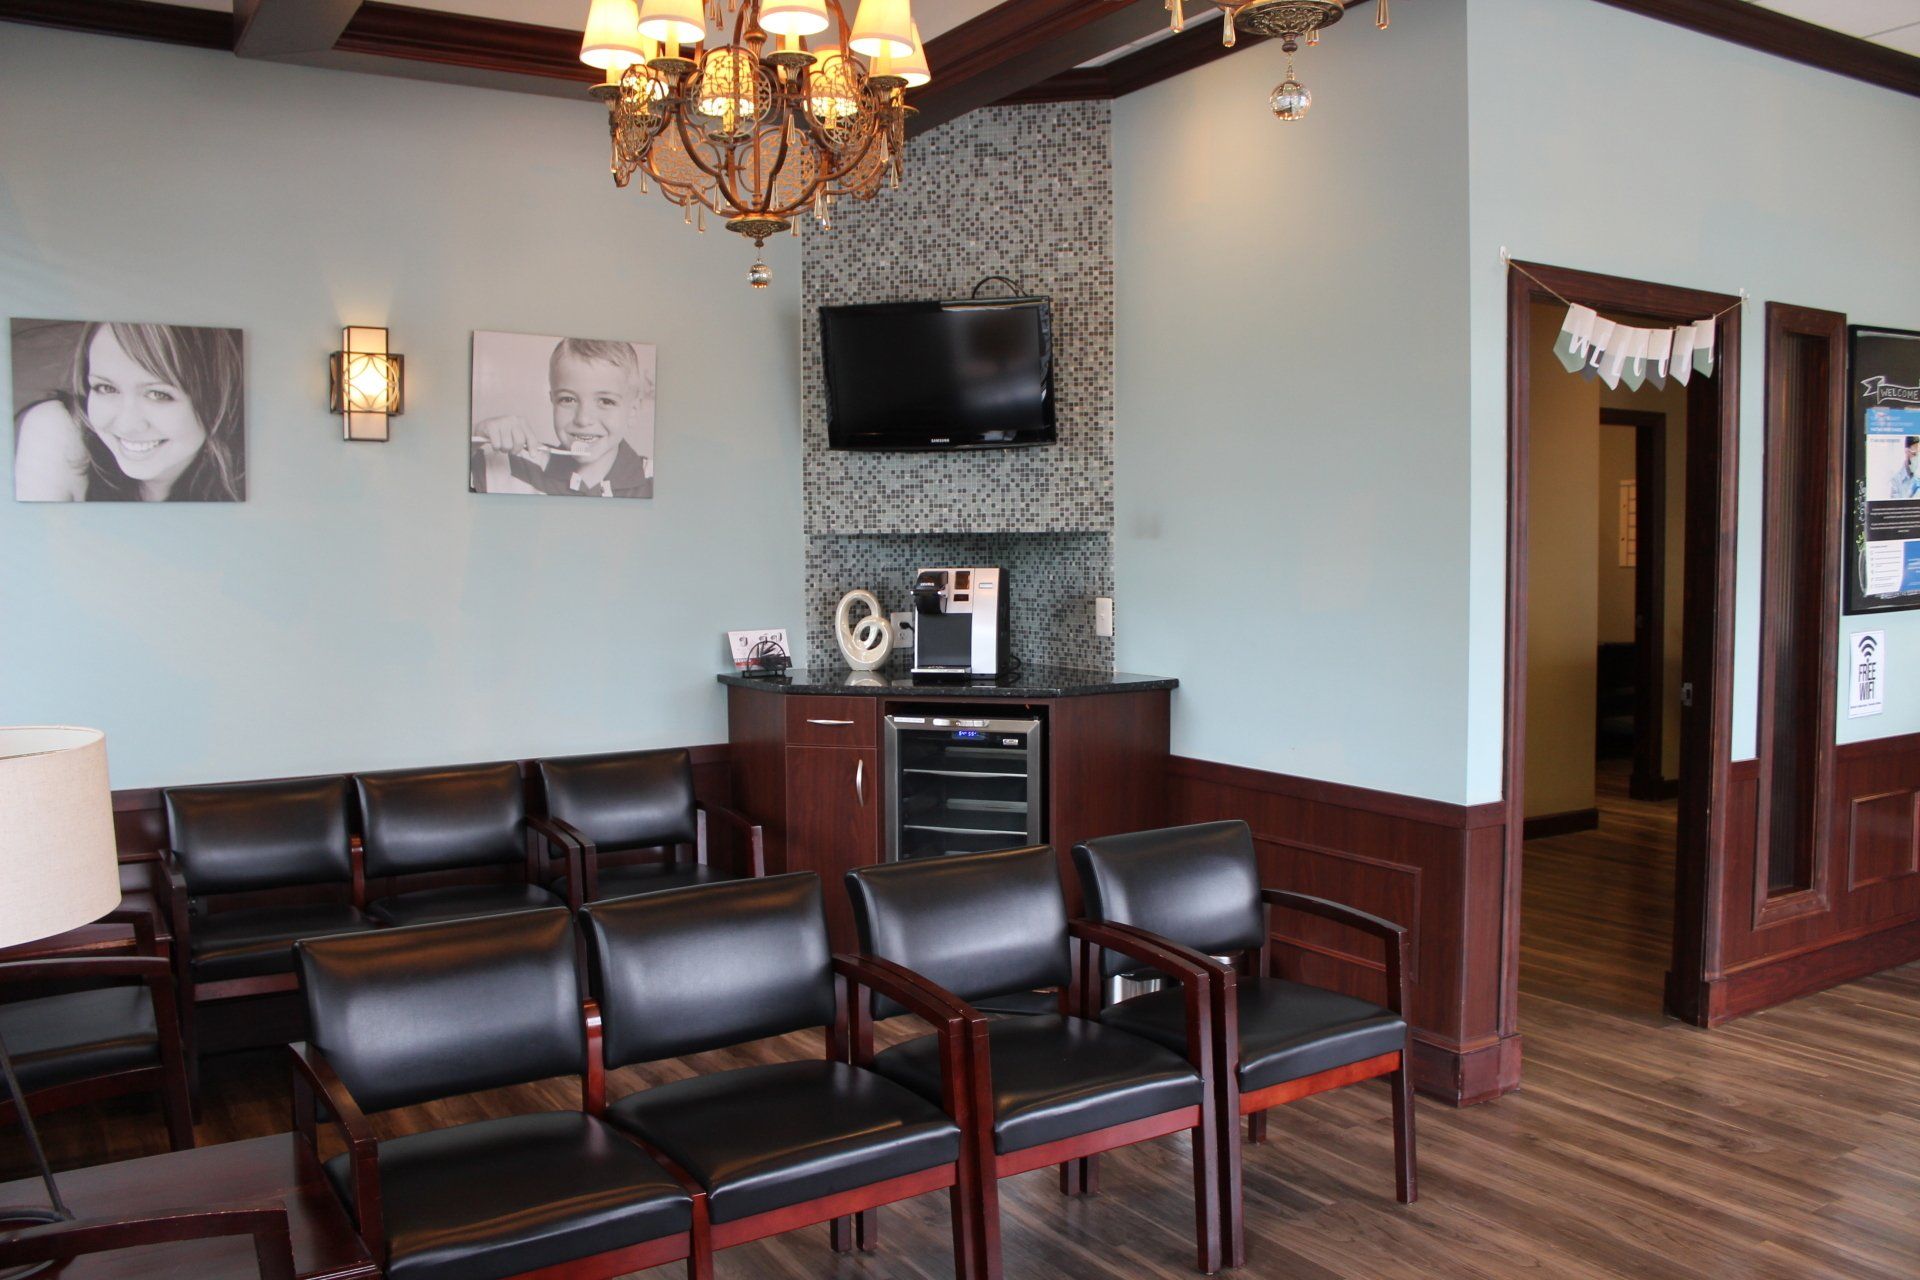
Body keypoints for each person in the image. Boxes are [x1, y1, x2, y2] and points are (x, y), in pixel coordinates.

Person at [13, 321, 245, 502]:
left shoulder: (250, 469)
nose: (125, 425)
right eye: (105, 388)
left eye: (158, 394)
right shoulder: (57, 429)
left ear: (220, 398)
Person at [471, 337, 653, 499]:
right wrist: (474, 440)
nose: (583, 419)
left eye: (606, 401)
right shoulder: (511, 466)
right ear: (553, 401)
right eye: (568, 399)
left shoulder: (657, 480)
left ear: (632, 410)